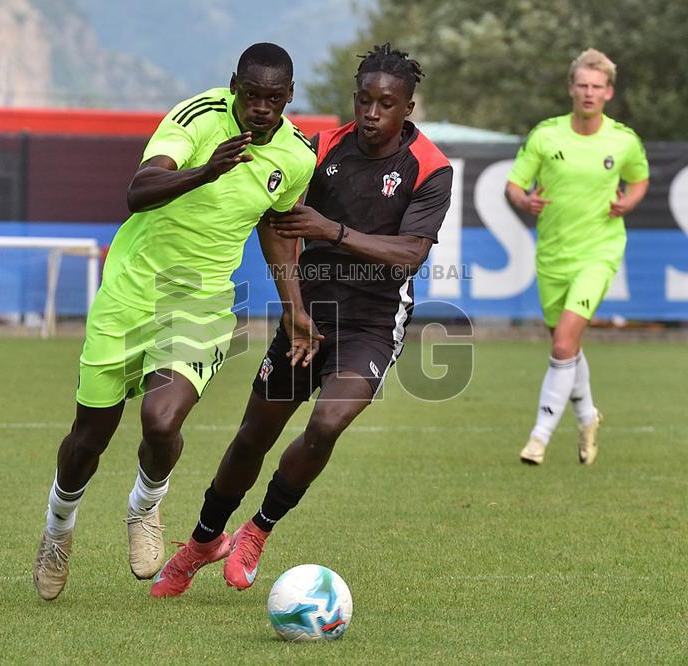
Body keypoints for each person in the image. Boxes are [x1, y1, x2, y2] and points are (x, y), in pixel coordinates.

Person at [149, 43, 454, 598]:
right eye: (363, 99)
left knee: (326, 425)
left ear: (408, 107)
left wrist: (330, 230)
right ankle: (200, 543)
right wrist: (294, 309)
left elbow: (410, 254)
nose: (371, 113)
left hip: (372, 321)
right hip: (309, 310)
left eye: (386, 104)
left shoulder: (430, 169)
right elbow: (277, 223)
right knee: (252, 437)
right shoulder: (318, 151)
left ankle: (257, 530)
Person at [32, 42, 320, 601]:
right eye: (252, 95)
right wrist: (206, 172)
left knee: (162, 421)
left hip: (201, 304)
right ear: (234, 84)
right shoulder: (195, 118)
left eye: (274, 98)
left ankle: (144, 506)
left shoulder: (296, 156)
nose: (261, 108)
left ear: (289, 96)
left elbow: (277, 231)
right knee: (89, 437)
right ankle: (57, 529)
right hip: (130, 292)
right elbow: (139, 191)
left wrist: (296, 308)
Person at [505, 48, 650, 466]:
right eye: (582, 85)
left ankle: (539, 437)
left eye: (596, 87)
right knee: (564, 346)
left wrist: (629, 203)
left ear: (609, 92)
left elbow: (639, 179)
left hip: (599, 252)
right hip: (553, 255)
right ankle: (587, 416)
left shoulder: (622, 140)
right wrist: (524, 199)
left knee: (565, 341)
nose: (588, 93)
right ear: (571, 88)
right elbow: (515, 185)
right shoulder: (546, 136)